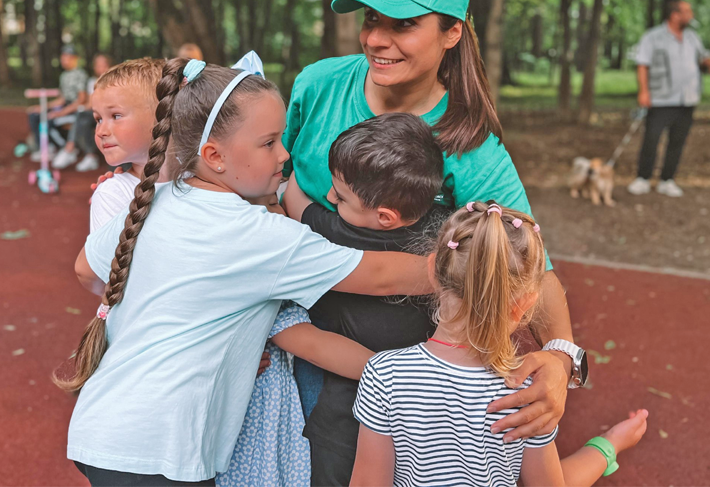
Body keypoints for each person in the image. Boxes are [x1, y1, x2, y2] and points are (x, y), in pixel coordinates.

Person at [61, 58, 433, 487]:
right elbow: (386, 275)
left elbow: (85, 270)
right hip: (161, 449)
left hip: (104, 424)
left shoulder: (156, 199)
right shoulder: (256, 234)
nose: (285, 154)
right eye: (269, 142)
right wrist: (475, 261)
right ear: (215, 156)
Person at [283, 0, 583, 440]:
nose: (377, 39)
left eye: (403, 24)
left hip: (384, 353)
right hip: (293, 324)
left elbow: (529, 262)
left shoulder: (471, 150)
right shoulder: (317, 84)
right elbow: (274, 182)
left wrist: (560, 355)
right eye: (372, 19)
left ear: (451, 32)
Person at [349, 201, 649, 487]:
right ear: (527, 303)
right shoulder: (530, 389)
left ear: (433, 270)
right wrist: (608, 446)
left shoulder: (384, 375)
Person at [281, 113, 446, 487]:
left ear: (385, 217)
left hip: (347, 414)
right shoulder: (449, 232)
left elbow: (294, 197)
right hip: (423, 411)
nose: (328, 197)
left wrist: (299, 159)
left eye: (339, 196)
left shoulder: (337, 231)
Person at [628, 0, 710, 198]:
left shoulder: (692, 37)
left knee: (677, 141)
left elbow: (702, 57)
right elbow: (642, 65)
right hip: (661, 99)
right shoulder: (653, 37)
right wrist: (643, 91)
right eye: (687, 11)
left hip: (687, 99)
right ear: (675, 15)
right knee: (651, 139)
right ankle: (643, 178)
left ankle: (667, 180)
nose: (691, 15)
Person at [85, 57, 167, 231]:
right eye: (98, 119)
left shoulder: (207, 178)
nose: (101, 131)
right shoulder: (111, 195)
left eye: (116, 116)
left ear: (162, 115)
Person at [54, 53, 114, 173]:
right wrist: (82, 108)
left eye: (104, 65)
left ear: (110, 66)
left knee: (82, 117)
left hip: (109, 114)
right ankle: (88, 155)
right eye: (98, 65)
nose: (101, 68)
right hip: (95, 115)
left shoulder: (115, 81)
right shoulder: (92, 82)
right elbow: (90, 101)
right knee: (82, 117)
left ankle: (71, 149)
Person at [27, 45, 88, 161]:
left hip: (74, 110)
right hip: (64, 107)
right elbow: (62, 99)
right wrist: (42, 107)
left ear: (75, 58)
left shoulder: (80, 74)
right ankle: (44, 147)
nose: (64, 60)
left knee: (49, 119)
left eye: (68, 57)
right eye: (63, 57)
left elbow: (81, 99)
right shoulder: (64, 76)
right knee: (34, 115)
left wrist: (60, 113)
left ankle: (64, 148)